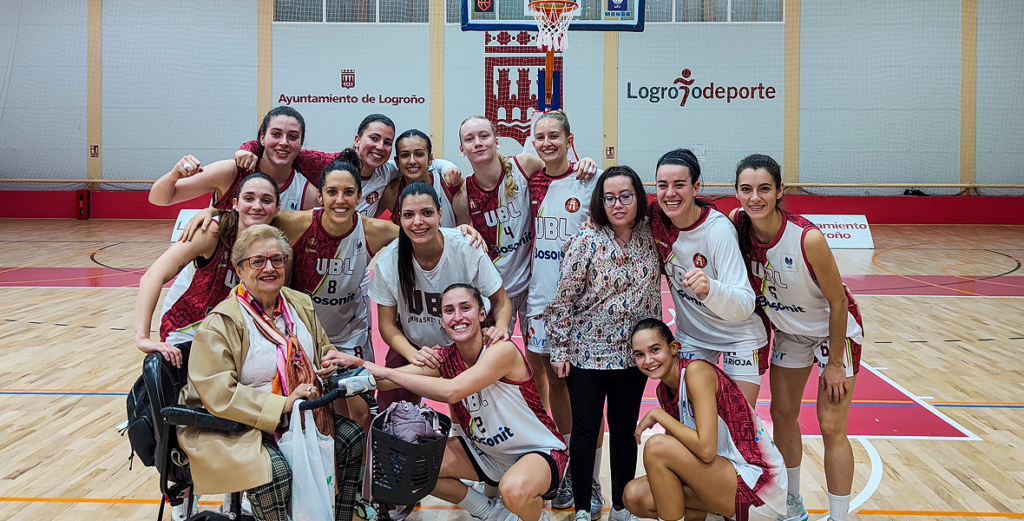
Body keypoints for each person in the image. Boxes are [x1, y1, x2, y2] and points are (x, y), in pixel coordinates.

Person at [329, 283, 567, 521]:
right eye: (449, 310)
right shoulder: (446, 357)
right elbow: (385, 382)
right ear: (442, 320)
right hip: (487, 454)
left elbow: (453, 391)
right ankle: (490, 513)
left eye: (465, 308)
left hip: (537, 452)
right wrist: (354, 364)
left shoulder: (500, 350)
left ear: (482, 313)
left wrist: (388, 373)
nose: (458, 317)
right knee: (413, 467)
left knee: (513, 491)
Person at [177, 224, 364, 521]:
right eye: (257, 261)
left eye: (277, 260)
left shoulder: (298, 303)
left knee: (351, 437)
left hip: (299, 419)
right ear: (239, 270)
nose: (270, 268)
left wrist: (328, 364)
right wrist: (283, 404)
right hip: (239, 426)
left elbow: (322, 348)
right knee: (274, 471)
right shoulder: (222, 322)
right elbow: (217, 393)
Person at [731, 154, 865, 521]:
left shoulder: (808, 239)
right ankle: (793, 503)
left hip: (831, 334)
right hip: (790, 333)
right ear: (737, 192)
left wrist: (835, 364)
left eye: (764, 189)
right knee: (782, 415)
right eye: (746, 189)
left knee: (831, 425)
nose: (754, 197)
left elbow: (839, 303)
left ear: (779, 191)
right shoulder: (737, 225)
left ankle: (839, 517)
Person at [543, 166, 662, 521]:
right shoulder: (587, 240)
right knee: (585, 429)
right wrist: (560, 350)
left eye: (626, 196)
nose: (618, 204)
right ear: (600, 201)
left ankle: (622, 507)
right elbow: (562, 301)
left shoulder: (651, 234)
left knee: (625, 430)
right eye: (609, 197)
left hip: (633, 358)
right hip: (587, 354)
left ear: (638, 198)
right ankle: (582, 506)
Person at [623, 318, 787, 521]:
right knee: (634, 496)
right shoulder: (663, 390)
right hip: (724, 477)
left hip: (759, 486)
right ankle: (716, 517)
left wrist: (659, 415)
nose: (648, 360)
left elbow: (706, 450)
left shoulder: (696, 372)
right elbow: (679, 455)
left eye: (655, 350)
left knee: (656, 446)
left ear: (674, 348)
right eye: (640, 355)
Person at [368, 181, 512, 410]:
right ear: (400, 219)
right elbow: (386, 325)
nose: (418, 222)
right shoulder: (390, 260)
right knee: (392, 415)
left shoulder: (466, 246)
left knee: (480, 415)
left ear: (440, 214)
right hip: (416, 345)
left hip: (469, 343)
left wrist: (501, 328)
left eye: (426, 213)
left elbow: (501, 301)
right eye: (409, 215)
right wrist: (414, 355)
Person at [522, 110, 600, 511]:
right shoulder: (529, 180)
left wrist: (591, 163)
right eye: (540, 137)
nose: (547, 142)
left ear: (570, 140)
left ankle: (593, 478)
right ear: (532, 142)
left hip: (587, 305)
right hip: (540, 302)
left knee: (586, 391)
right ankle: (566, 467)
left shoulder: (591, 179)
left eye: (555, 136)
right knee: (552, 385)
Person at [650, 148, 769, 406]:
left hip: (740, 334)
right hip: (693, 336)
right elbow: (616, 212)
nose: (670, 193)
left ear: (696, 188)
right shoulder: (655, 219)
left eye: (679, 185)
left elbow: (745, 303)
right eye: (663, 185)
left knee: (736, 423)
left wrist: (710, 289)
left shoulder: (718, 231)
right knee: (690, 418)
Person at [134, 173, 281, 368]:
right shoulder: (212, 232)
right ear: (235, 203)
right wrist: (142, 337)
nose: (257, 206)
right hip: (189, 330)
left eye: (266, 200)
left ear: (277, 209)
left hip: (231, 334)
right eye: (249, 198)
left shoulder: (274, 240)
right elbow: (153, 276)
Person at [235, 114, 463, 217]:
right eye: (373, 139)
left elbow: (418, 164)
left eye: (387, 142)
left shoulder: (387, 170)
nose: (379, 147)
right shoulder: (327, 164)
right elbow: (285, 149)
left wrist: (446, 166)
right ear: (357, 140)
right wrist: (249, 148)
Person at [148, 106, 318, 211]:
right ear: (262, 138)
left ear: (301, 143)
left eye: (293, 137)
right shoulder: (230, 171)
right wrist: (173, 176)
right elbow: (159, 199)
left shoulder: (306, 193)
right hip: (215, 268)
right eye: (276, 134)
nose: (284, 142)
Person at [376, 128, 466, 227]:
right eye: (405, 155)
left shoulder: (448, 182)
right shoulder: (391, 191)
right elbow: (371, 223)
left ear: (430, 159)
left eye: (419, 154)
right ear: (397, 162)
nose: (412, 161)